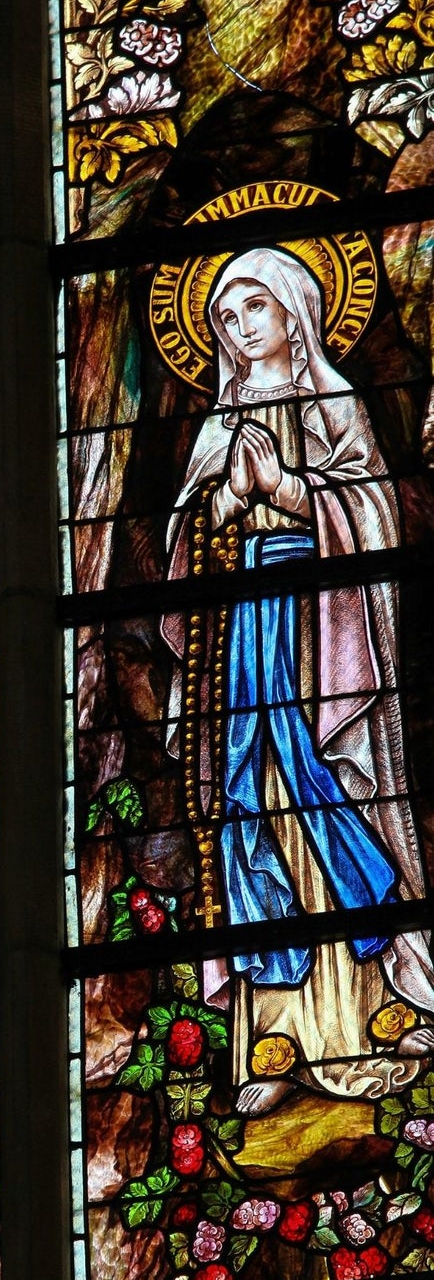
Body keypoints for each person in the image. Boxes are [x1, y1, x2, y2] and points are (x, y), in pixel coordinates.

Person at [163, 246, 434, 1112]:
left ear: (296, 315)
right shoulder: (216, 425)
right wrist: (223, 507)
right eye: (226, 319)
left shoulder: (334, 404)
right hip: (247, 629)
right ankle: (269, 1040)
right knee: (253, 791)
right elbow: (188, 541)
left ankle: (370, 1013)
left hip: (323, 633)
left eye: (255, 310)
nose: (241, 331)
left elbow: (376, 512)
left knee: (324, 784)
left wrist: (289, 491)